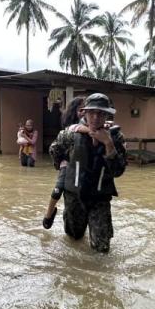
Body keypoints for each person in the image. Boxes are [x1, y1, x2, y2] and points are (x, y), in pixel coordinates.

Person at [49, 93, 127, 253]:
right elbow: (54, 150)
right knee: (73, 239)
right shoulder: (70, 134)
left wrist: (109, 144)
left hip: (99, 199)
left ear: (107, 115)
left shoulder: (116, 137)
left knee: (102, 248)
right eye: (92, 112)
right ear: (84, 113)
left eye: (101, 113)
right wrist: (63, 166)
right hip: (74, 196)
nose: (96, 117)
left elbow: (118, 171)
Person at [42, 96, 87, 229]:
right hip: (68, 164)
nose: (84, 113)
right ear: (74, 112)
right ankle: (48, 214)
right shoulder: (70, 129)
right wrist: (60, 163)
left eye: (86, 110)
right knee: (58, 189)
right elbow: (54, 148)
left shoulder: (95, 126)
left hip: (85, 168)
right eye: (80, 110)